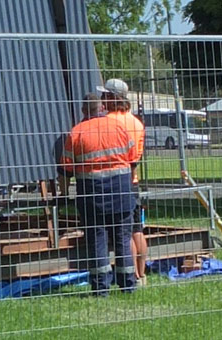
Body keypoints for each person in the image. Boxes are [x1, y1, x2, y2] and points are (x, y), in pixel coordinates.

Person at [61, 90, 138, 295]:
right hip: (121, 193)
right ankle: (128, 284)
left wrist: (63, 194)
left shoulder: (76, 133)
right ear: (102, 108)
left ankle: (101, 287)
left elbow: (66, 170)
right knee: (122, 238)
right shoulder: (119, 127)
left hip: (92, 197)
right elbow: (133, 160)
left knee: (97, 240)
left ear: (83, 110)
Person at [100, 78, 149, 286]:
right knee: (137, 229)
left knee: (123, 231)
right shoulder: (136, 122)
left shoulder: (109, 122)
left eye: (105, 95)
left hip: (116, 181)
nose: (102, 99)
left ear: (112, 97)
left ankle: (131, 276)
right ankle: (142, 274)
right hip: (133, 180)